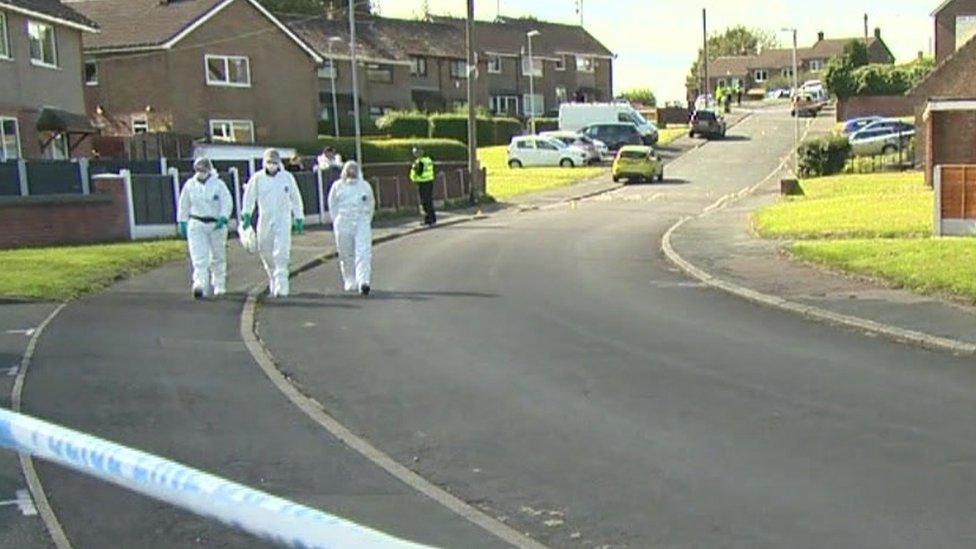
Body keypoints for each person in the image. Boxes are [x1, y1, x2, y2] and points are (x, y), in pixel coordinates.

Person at [242, 149, 305, 298]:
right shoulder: (257, 179)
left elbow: (295, 197)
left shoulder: (287, 178)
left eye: (275, 163)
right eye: (269, 162)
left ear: (279, 163)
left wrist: (298, 216)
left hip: (283, 219)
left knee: (282, 252)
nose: (272, 165)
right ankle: (273, 277)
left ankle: (282, 285)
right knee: (264, 249)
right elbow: (249, 197)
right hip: (265, 218)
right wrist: (246, 215)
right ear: (264, 162)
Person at [177, 157, 232, 299]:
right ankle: (200, 285)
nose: (201, 172)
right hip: (196, 223)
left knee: (218, 256)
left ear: (209, 169)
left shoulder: (219, 185)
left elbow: (227, 202)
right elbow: (184, 204)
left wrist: (224, 216)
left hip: (216, 224)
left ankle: (219, 283)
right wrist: (182, 221)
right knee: (199, 257)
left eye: (203, 170)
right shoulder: (190, 185)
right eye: (198, 170)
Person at [328, 161, 375, 296]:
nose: (352, 174)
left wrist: (366, 220)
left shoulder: (365, 186)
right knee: (345, 253)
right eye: (350, 171)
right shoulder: (337, 187)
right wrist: (337, 221)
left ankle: (363, 281)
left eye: (354, 171)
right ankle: (349, 279)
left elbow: (370, 204)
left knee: (363, 252)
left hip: (361, 222)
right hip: (343, 222)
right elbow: (332, 205)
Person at [410, 146, 436, 226]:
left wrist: (413, 176)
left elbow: (419, 173)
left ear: (420, 152)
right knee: (429, 201)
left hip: (422, 183)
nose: (414, 154)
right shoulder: (428, 160)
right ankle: (432, 219)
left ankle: (428, 220)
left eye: (415, 152)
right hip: (430, 181)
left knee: (424, 202)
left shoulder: (420, 162)